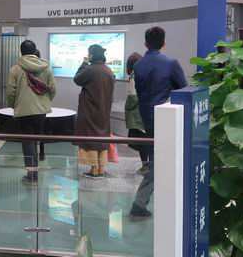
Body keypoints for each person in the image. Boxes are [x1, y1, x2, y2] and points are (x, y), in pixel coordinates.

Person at [129, 27, 187, 221]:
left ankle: (148, 202)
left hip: (148, 120)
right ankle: (139, 204)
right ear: (164, 42)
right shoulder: (171, 63)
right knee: (160, 163)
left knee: (158, 160)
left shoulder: (138, 65)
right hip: (168, 120)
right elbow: (183, 89)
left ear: (146, 43)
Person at [7, 40, 56, 185]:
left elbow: (10, 92)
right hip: (41, 110)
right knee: (35, 138)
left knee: (27, 141)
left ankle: (32, 173)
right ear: (35, 51)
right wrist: (45, 101)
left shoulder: (15, 69)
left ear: (21, 52)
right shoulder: (46, 67)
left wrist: (15, 105)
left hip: (23, 110)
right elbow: (53, 89)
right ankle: (34, 169)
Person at [73, 44, 115, 179]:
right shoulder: (108, 70)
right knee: (101, 138)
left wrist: (83, 63)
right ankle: (101, 169)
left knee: (90, 138)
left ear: (91, 55)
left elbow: (77, 79)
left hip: (90, 110)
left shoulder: (90, 70)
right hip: (104, 111)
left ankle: (94, 170)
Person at [124, 52, 149, 175]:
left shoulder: (134, 75)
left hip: (138, 114)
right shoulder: (147, 72)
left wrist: (127, 108)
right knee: (147, 140)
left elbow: (132, 97)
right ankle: (149, 165)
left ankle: (146, 166)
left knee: (140, 141)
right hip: (147, 111)